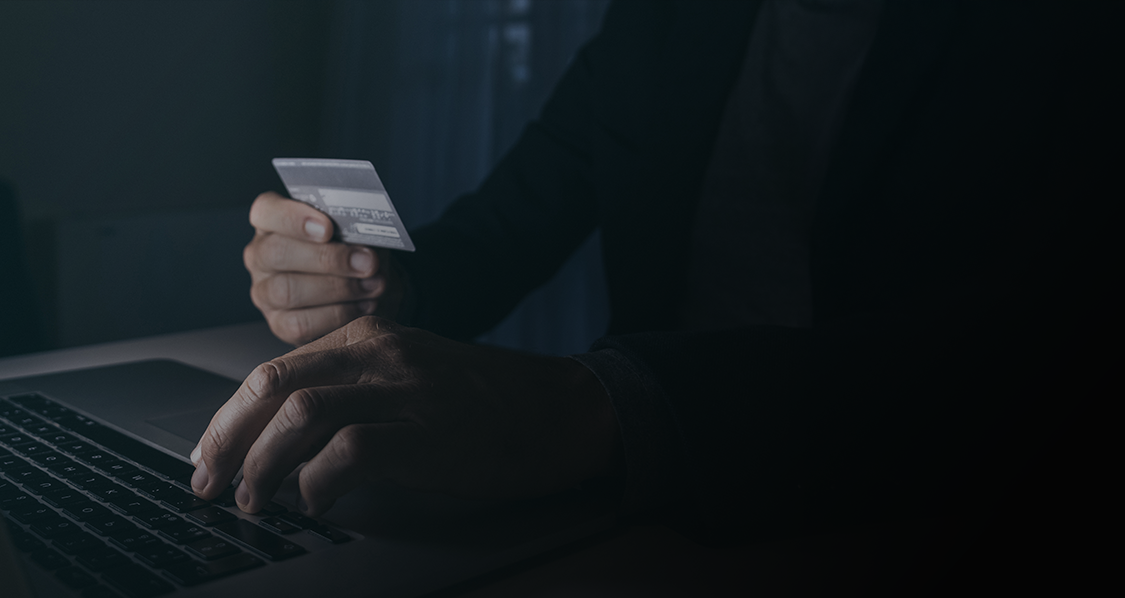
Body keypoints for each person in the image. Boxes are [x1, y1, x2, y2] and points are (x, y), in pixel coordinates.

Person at [189, 0, 1117, 547]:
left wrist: (599, 403)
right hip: (654, 523)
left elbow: (1032, 353)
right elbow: (505, 228)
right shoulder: (662, 27)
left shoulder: (1059, 33)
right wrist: (377, 285)